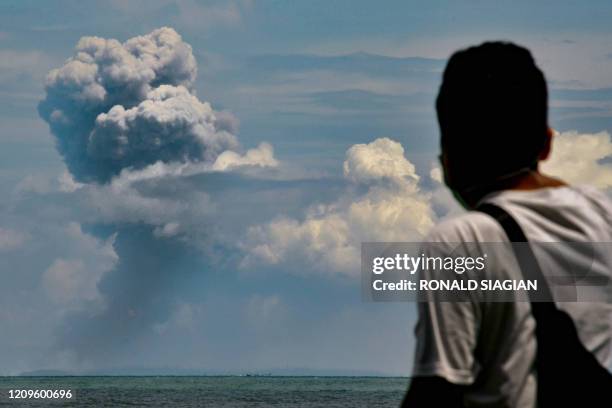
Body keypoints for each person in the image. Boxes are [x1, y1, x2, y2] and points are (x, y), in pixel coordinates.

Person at [401, 42, 612, 407]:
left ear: (447, 158)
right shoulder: (605, 215)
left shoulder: (461, 241)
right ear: (547, 144)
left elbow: (436, 393)